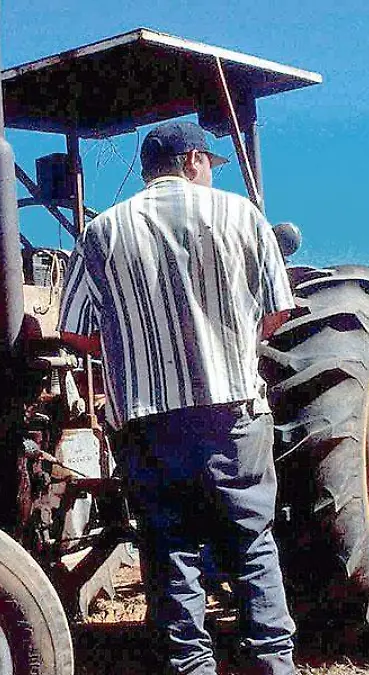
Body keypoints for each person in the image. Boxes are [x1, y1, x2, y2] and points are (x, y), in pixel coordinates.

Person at [58, 120, 297, 675]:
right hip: (231, 412)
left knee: (171, 554)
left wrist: (131, 345)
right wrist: (230, 340)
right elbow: (278, 309)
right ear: (194, 160)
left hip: (148, 422)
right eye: (211, 164)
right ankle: (272, 666)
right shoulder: (241, 215)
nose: (212, 173)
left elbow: (73, 330)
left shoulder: (102, 231)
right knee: (252, 544)